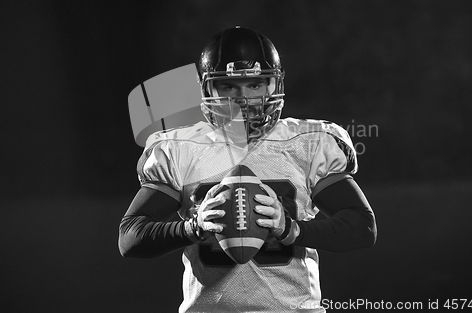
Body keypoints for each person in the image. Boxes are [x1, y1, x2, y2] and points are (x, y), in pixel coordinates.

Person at [119, 26, 377, 313]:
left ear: (273, 86)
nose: (242, 98)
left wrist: (290, 229)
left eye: (255, 85)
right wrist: (193, 227)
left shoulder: (308, 144)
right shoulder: (181, 148)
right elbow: (131, 236)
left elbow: (362, 227)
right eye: (228, 86)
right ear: (207, 89)